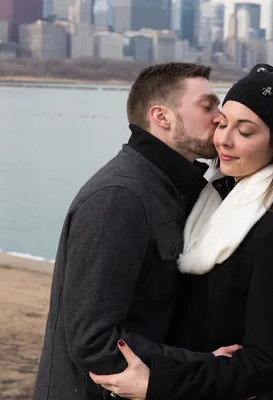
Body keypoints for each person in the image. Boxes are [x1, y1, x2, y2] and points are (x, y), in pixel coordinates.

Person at [90, 62, 273, 400]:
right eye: (223, 122)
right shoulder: (208, 198)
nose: (223, 138)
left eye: (245, 131)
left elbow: (265, 366)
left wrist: (156, 385)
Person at [32, 62, 241, 400]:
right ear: (161, 117)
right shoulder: (120, 197)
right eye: (208, 106)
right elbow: (93, 341)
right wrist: (202, 366)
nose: (220, 117)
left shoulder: (179, 190)